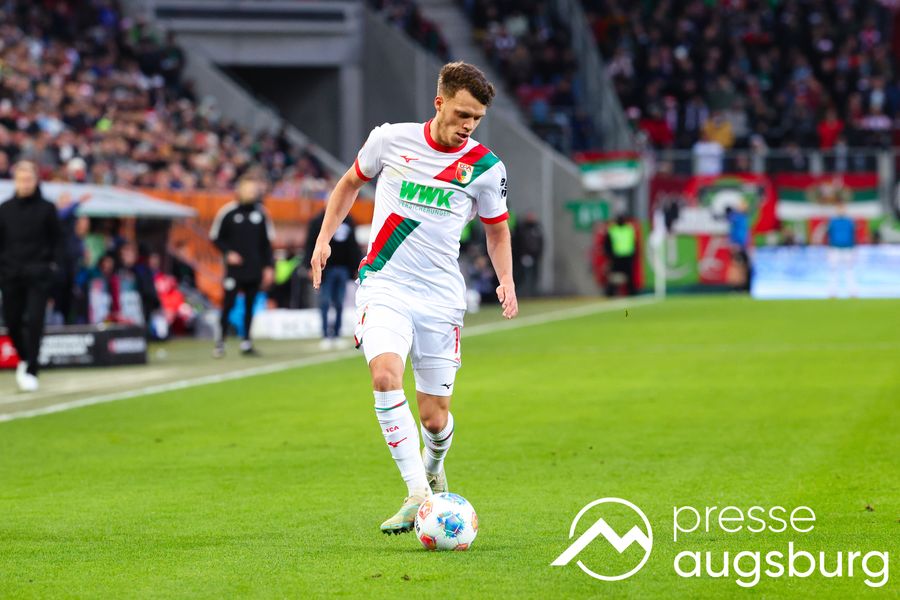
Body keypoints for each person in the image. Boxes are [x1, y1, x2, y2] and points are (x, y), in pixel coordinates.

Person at [309, 62, 517, 535]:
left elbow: (497, 231)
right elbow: (349, 184)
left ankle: (434, 466)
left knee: (435, 419)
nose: (468, 124)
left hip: (441, 299)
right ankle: (418, 494)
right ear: (439, 103)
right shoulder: (389, 140)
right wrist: (324, 239)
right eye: (462, 113)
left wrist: (505, 279)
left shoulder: (487, 168)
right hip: (384, 284)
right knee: (385, 375)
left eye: (477, 118)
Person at [0, 161, 61, 392]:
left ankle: (32, 368)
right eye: (21, 179)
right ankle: (25, 358)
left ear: (36, 181)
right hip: (11, 274)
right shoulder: (5, 209)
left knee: (35, 320)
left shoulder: (47, 208)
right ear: (15, 181)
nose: (25, 184)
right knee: (12, 321)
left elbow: (57, 241)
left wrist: (53, 268)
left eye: (29, 179)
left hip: (38, 274)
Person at [209, 174, 275, 357]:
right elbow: (215, 237)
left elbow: (267, 244)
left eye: (254, 190)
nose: (252, 193)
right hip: (234, 271)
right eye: (248, 189)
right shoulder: (228, 213)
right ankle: (220, 342)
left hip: (254, 269)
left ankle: (246, 341)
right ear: (240, 190)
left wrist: (268, 267)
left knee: (250, 305)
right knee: (228, 304)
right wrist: (228, 253)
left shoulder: (261, 214)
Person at [305, 209, 362, 349]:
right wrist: (309, 266)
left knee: (339, 302)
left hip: (343, 268)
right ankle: (325, 334)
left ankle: (336, 334)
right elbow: (310, 244)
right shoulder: (318, 221)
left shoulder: (348, 220)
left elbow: (353, 245)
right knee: (324, 302)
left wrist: (356, 266)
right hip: (325, 268)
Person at [512, 211, 543, 297]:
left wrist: (538, 255)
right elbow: (519, 243)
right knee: (522, 276)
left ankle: (532, 293)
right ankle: (523, 293)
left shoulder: (537, 228)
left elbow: (541, 243)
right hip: (523, 257)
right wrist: (522, 255)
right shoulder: (522, 229)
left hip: (535, 257)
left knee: (534, 276)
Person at [605, 214, 637, 296]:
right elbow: (607, 244)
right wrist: (610, 255)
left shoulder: (628, 229)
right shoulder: (613, 230)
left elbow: (634, 243)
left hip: (627, 256)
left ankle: (632, 293)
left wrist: (633, 255)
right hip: (616, 257)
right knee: (613, 276)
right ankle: (610, 293)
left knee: (629, 277)